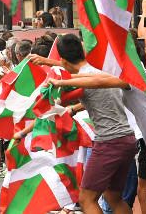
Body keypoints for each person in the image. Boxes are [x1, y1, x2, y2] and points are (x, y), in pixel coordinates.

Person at [41, 34, 136, 214]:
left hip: (109, 142)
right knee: (113, 197)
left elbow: (58, 101)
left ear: (63, 60)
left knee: (86, 199)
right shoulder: (98, 72)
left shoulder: (81, 81)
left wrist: (56, 85)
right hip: (127, 140)